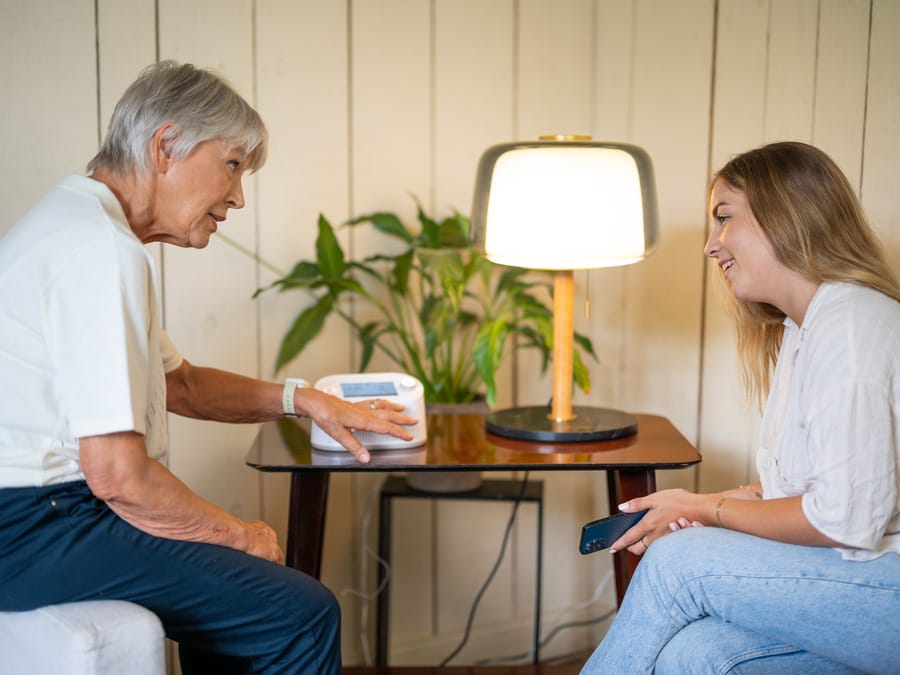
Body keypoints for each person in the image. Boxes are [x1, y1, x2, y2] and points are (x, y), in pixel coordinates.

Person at [0, 60, 417, 674]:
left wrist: (306, 400)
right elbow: (116, 475)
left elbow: (181, 383)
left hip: (36, 522)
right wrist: (239, 534)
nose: (238, 195)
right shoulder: (98, 250)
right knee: (300, 612)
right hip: (37, 529)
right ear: (165, 145)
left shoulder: (76, 225)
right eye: (231, 165)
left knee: (242, 598)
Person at [581, 141, 900, 674]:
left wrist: (706, 512)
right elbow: (801, 491)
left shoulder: (850, 326)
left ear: (786, 216)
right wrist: (689, 504)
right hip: (860, 580)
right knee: (696, 653)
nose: (711, 246)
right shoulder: (806, 330)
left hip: (884, 581)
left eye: (724, 219)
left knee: (678, 562)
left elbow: (842, 519)